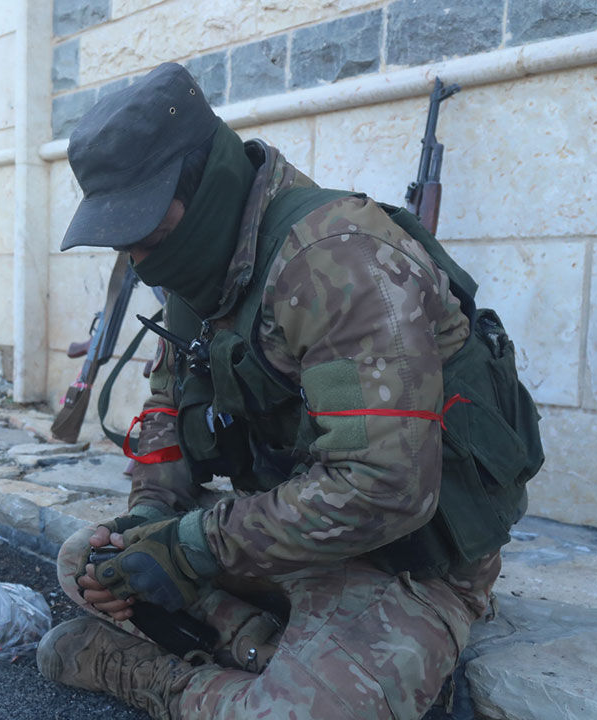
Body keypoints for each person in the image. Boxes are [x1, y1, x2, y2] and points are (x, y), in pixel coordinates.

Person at [37, 63, 542, 719]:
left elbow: (385, 487)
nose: (137, 257)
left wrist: (189, 548)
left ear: (205, 183)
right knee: (84, 558)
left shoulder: (339, 262)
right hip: (285, 535)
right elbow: (167, 409)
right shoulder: (197, 262)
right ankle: (257, 645)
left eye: (145, 229)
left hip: (406, 562)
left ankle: (160, 676)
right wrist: (147, 521)